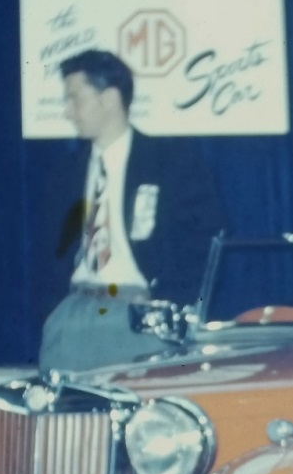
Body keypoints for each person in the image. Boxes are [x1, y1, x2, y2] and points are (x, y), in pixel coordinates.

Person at [37, 49, 225, 372]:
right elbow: (47, 255)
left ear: (109, 98)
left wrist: (169, 304)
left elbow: (209, 242)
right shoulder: (63, 173)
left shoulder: (171, 163)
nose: (67, 111)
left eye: (74, 99)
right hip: (74, 320)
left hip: (141, 320)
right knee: (67, 419)